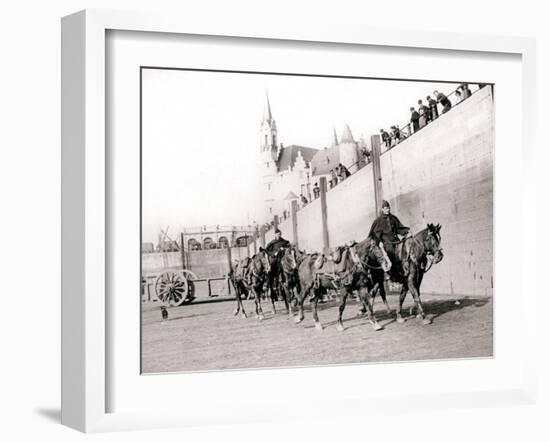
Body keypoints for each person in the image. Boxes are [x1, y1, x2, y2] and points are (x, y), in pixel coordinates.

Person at [368, 200, 411, 279]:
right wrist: (379, 242)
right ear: (382, 209)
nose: (388, 210)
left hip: (396, 241)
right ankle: (390, 273)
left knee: (404, 251)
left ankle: (403, 270)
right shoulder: (378, 221)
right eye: (386, 208)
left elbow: (399, 228)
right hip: (386, 243)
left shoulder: (393, 218)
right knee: (390, 254)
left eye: (389, 208)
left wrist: (406, 232)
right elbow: (375, 234)